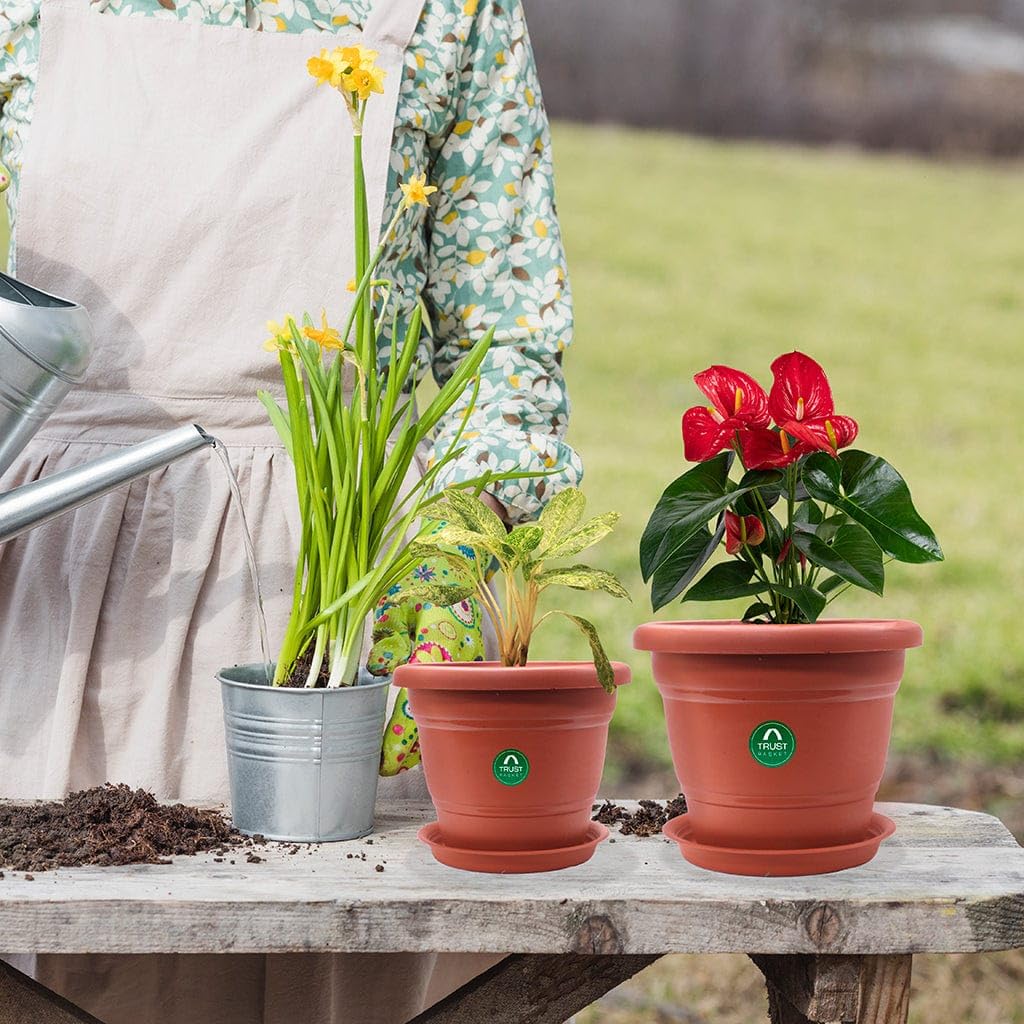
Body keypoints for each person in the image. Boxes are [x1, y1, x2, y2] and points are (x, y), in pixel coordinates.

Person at [0, 1, 581, 1022]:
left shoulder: (449, 11)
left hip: (339, 600)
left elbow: (506, 345)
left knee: (336, 976)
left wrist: (455, 576)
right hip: (56, 585)